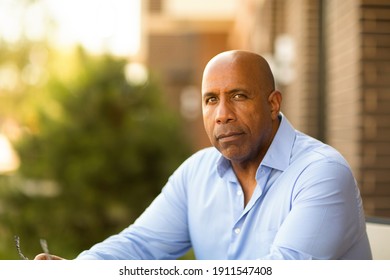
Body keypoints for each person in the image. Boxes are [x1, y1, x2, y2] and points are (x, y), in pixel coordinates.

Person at [35, 50, 372, 260]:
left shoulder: (322, 173)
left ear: (272, 104)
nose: (222, 114)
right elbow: (139, 245)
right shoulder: (196, 172)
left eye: (238, 96)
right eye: (211, 99)